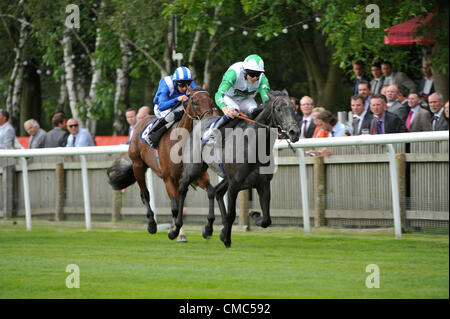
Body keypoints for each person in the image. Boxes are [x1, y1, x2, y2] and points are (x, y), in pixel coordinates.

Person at [205, 54, 270, 144]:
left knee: (255, 111)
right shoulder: (233, 73)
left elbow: (266, 100)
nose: (255, 78)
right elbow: (219, 94)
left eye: (258, 74)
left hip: (246, 99)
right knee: (235, 111)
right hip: (228, 97)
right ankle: (212, 132)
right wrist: (225, 109)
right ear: (244, 71)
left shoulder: (263, 79)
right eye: (252, 74)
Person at [146, 66, 197, 148]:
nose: (184, 88)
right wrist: (177, 99)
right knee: (171, 116)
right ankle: (152, 135)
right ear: (175, 83)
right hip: (163, 107)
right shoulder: (166, 84)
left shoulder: (190, 84)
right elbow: (161, 106)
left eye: (187, 85)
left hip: (179, 105)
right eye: (182, 85)